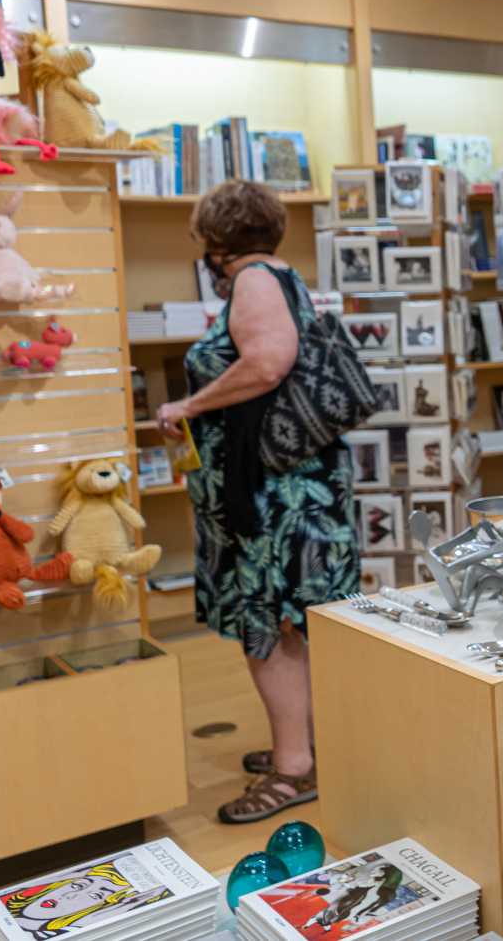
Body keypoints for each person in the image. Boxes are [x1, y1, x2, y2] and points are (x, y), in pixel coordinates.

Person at [156, 180, 360, 825]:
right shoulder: (283, 276)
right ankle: (299, 742)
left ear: (216, 240)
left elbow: (269, 361)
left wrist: (189, 404)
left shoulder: (251, 282)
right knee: (293, 622)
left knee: (268, 624)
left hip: (273, 497)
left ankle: (294, 769)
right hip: (295, 487)